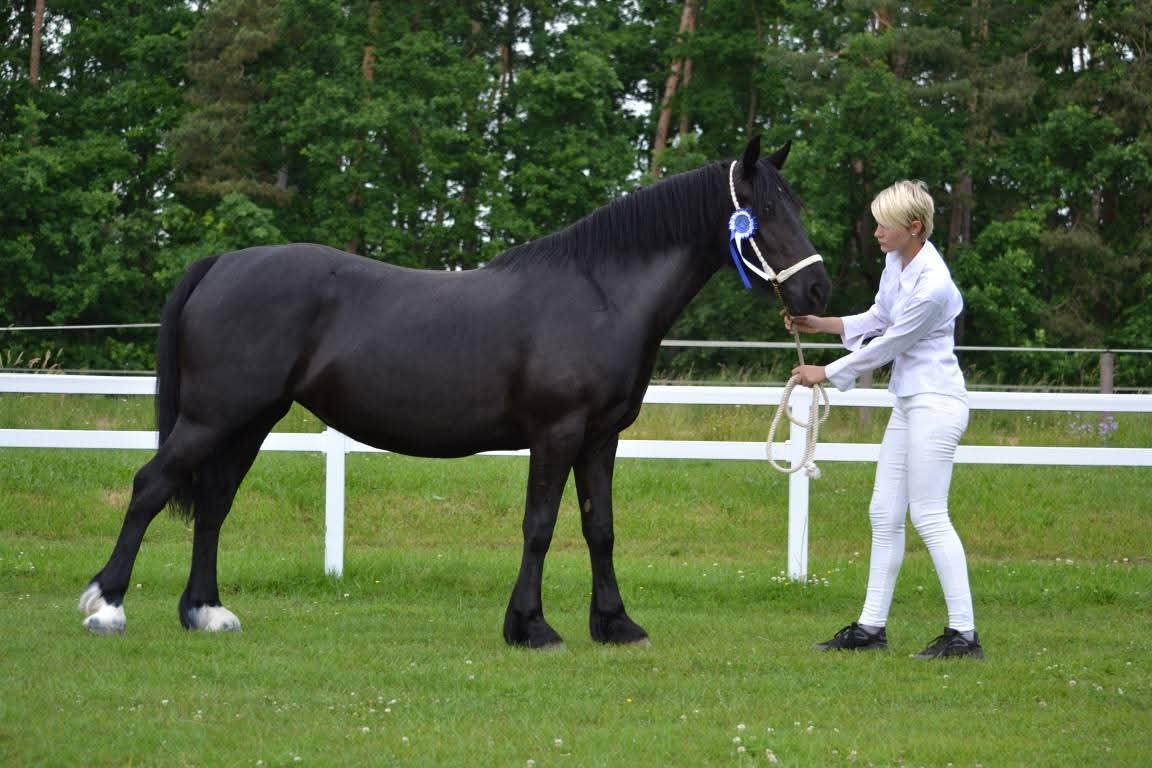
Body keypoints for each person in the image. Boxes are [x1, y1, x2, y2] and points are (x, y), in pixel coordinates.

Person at [786, 179, 983, 660]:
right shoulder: (897, 262)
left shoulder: (933, 285)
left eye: (883, 224)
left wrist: (825, 373)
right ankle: (872, 628)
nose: (875, 231)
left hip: (936, 402)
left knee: (930, 515)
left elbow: (891, 344)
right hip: (910, 400)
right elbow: (878, 317)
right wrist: (822, 324)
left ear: (913, 228)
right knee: (884, 514)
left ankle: (964, 635)